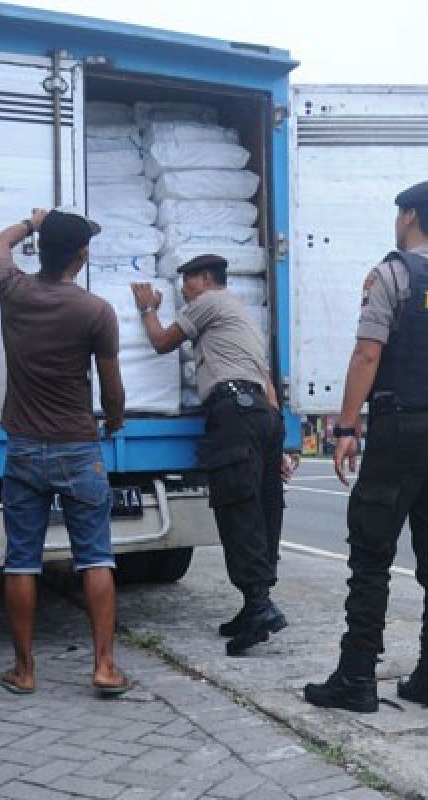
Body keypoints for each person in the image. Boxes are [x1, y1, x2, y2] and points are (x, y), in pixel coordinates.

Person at [302, 180, 428, 713]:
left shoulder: (392, 273)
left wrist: (347, 427)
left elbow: (366, 355)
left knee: (372, 554)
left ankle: (356, 677)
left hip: (399, 428)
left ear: (408, 216)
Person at [0, 208, 129, 696]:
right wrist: (114, 420)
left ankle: (25, 671)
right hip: (77, 446)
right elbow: (112, 388)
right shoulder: (95, 311)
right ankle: (105, 667)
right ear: (83, 256)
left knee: (21, 561)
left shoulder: (14, 291)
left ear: (41, 250)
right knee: (94, 557)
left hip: (23, 448)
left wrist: (29, 223)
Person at [131, 254, 296, 656]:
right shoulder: (240, 315)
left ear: (205, 279)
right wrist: (279, 443)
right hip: (262, 412)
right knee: (262, 509)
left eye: (185, 282)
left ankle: (259, 606)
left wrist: (148, 309)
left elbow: (162, 342)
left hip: (235, 414)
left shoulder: (209, 302)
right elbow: (268, 382)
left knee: (237, 509)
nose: (183, 291)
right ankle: (254, 602)